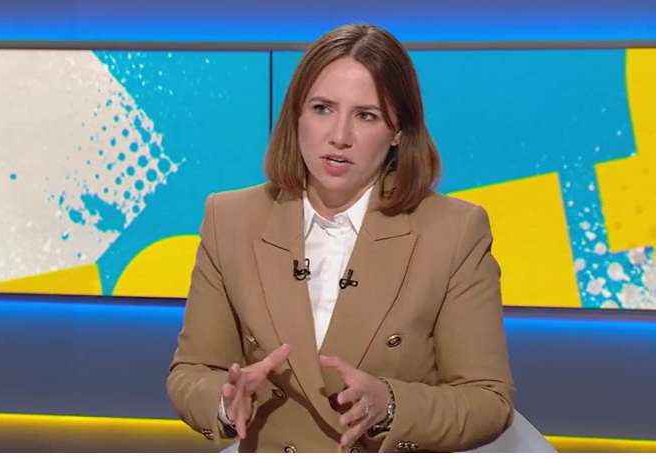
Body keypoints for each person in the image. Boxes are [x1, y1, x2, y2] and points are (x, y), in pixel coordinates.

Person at [166, 23, 515, 453]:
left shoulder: (454, 232)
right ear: (296, 115)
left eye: (366, 115)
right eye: (322, 108)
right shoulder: (230, 219)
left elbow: (488, 401)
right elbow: (191, 372)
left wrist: (391, 405)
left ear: (399, 132)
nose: (339, 136)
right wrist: (223, 401)